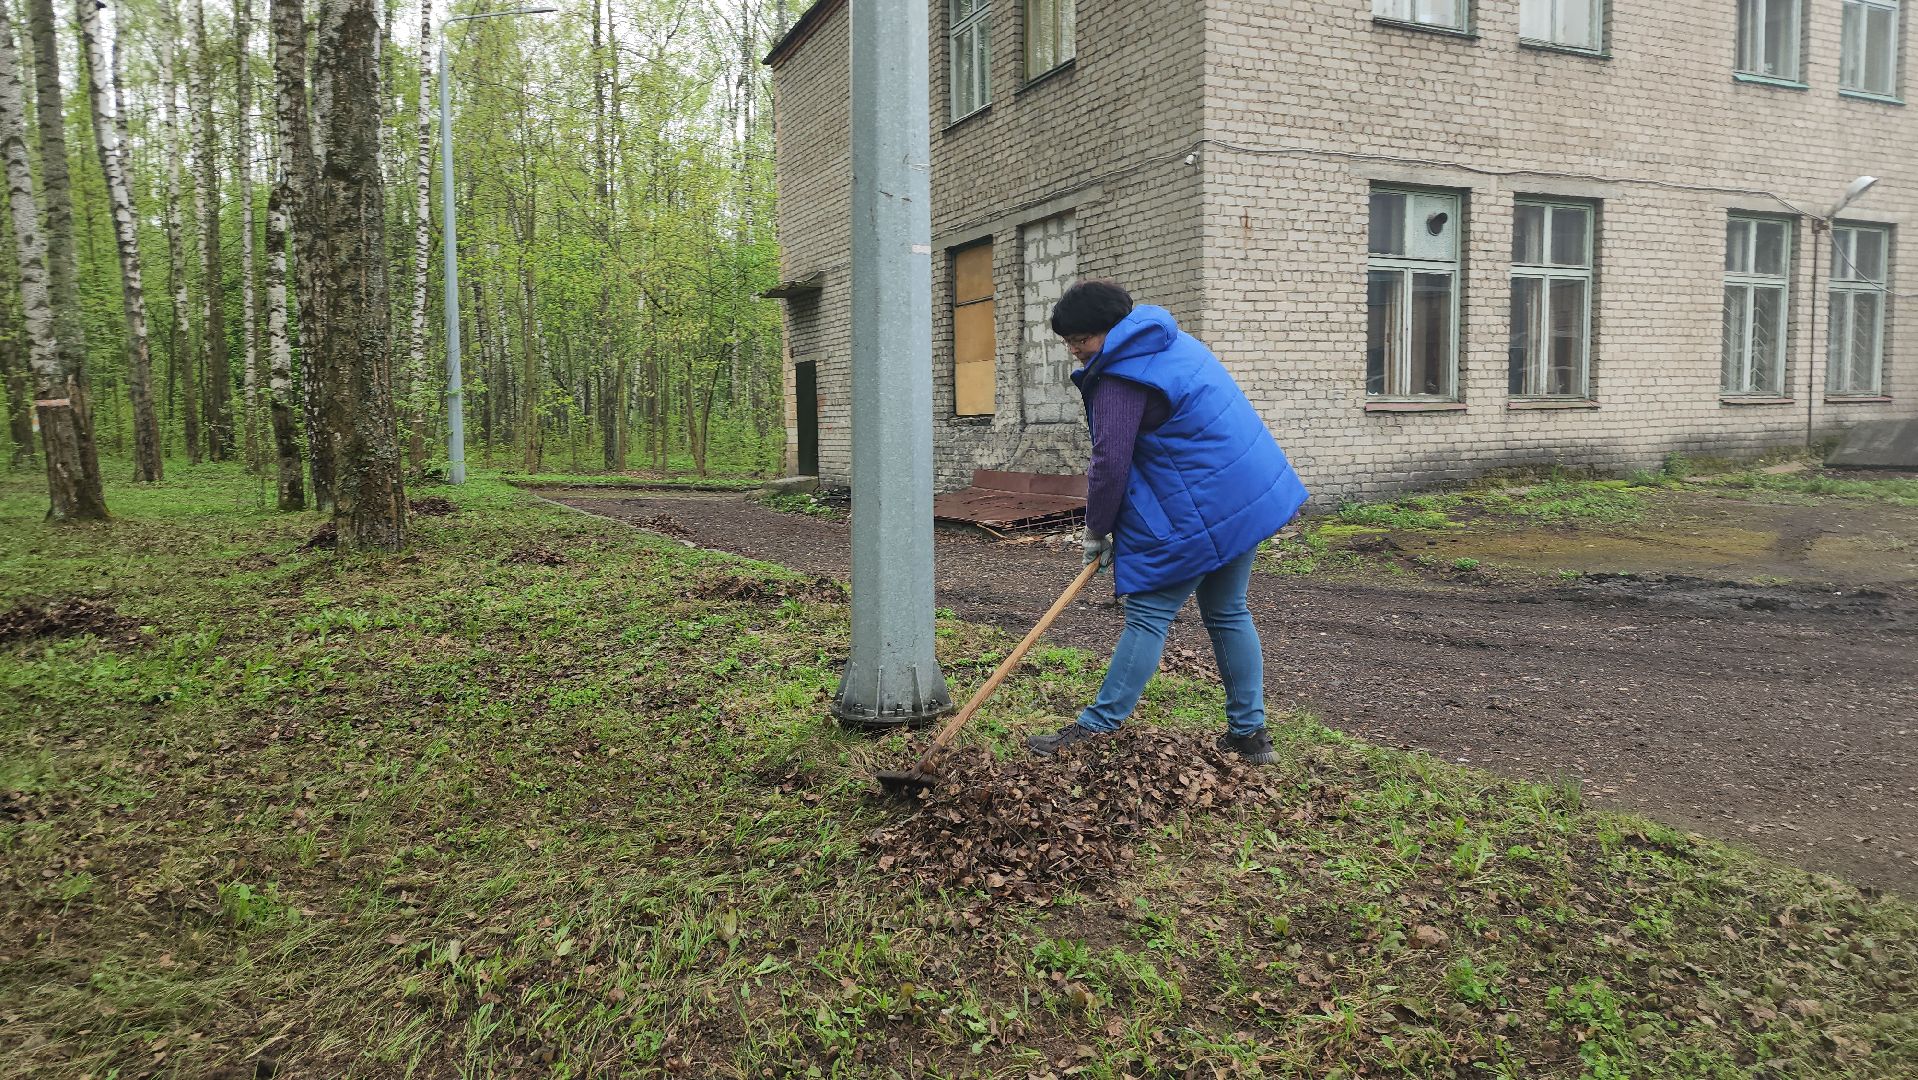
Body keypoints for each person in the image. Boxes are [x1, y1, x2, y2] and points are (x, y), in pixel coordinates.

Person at [1027, 280, 1309, 765]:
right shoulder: (1173, 341)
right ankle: (1250, 734)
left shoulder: (1119, 375)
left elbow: (1110, 462)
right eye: (1068, 341)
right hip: (1240, 495)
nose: (1075, 352)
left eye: (1082, 340)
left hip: (1200, 505)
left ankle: (1097, 728)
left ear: (1112, 330)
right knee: (1228, 611)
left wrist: (1096, 529)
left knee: (1149, 615)